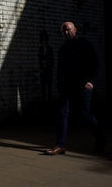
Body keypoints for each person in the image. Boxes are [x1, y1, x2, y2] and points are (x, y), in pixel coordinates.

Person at [45, 21, 106, 155]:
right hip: (67, 86)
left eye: (68, 29)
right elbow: (60, 69)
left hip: (83, 84)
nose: (66, 32)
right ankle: (60, 145)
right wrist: (59, 84)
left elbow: (95, 63)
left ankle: (101, 140)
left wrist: (90, 80)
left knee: (85, 114)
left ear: (75, 29)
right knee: (62, 113)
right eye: (64, 31)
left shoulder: (84, 44)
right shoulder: (63, 49)